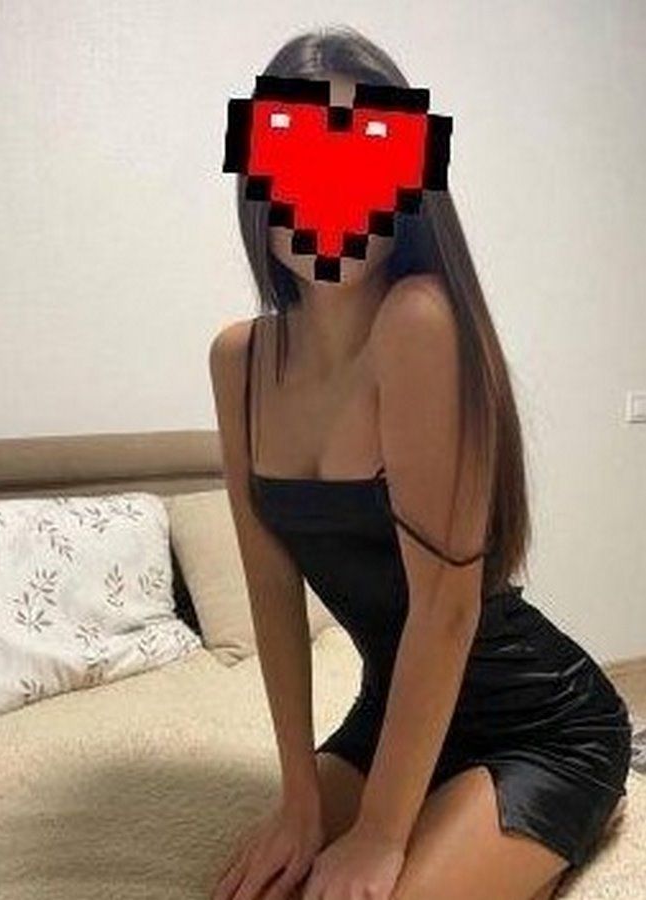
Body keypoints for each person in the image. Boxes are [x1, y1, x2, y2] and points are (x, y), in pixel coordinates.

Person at [208, 25, 632, 900]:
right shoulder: (238, 360)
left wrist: (377, 837)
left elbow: (445, 608)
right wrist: (297, 797)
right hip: (391, 717)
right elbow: (270, 593)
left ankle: (568, 807)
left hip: (538, 724)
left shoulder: (418, 320)